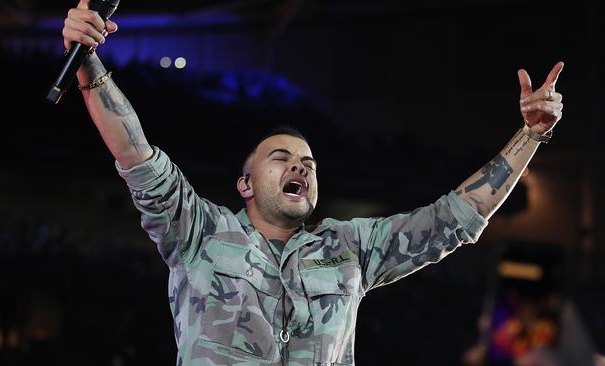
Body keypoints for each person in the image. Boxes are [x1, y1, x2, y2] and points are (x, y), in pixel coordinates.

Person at [61, 1, 564, 364]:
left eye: (309, 162)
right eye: (281, 158)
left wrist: (530, 135)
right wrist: (87, 62)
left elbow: (454, 218)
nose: (300, 166)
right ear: (245, 184)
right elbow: (136, 154)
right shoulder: (198, 233)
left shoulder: (353, 249)